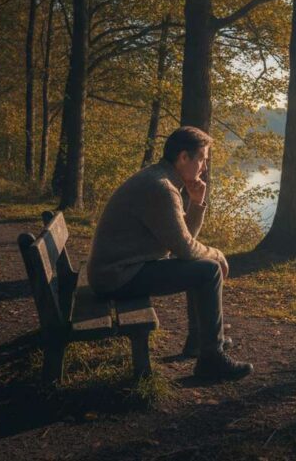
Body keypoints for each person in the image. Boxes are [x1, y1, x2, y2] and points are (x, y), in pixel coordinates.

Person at [86, 126, 253, 380]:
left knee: (201, 265)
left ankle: (200, 342)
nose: (204, 168)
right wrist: (217, 253)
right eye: (202, 159)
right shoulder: (161, 188)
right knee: (208, 270)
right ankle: (211, 359)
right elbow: (186, 249)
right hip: (116, 277)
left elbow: (183, 241)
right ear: (184, 157)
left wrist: (196, 203)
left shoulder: (161, 179)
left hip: (118, 271)